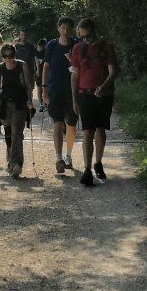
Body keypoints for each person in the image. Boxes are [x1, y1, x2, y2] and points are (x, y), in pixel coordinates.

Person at [69, 17, 118, 187]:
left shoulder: (107, 47)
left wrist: (104, 87)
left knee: (101, 130)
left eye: (87, 36)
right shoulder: (77, 49)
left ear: (94, 31)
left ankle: (98, 162)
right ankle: (87, 169)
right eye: (81, 37)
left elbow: (113, 72)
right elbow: (74, 75)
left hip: (104, 96)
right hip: (85, 94)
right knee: (87, 131)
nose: (84, 40)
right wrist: (74, 99)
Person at [41, 17, 80, 174]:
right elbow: (46, 67)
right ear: (58, 28)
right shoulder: (52, 45)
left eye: (68, 28)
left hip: (72, 91)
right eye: (63, 27)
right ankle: (59, 158)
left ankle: (68, 155)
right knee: (57, 124)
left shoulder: (76, 44)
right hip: (55, 89)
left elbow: (82, 68)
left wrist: (72, 62)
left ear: (71, 29)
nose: (65, 31)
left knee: (71, 125)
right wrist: (43, 89)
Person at [0, 42, 31, 178]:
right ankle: (10, 161)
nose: (8, 58)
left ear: (14, 54)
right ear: (2, 56)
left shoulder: (22, 65)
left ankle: (16, 164)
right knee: (8, 133)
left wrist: (30, 100)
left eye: (11, 55)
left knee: (17, 134)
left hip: (20, 103)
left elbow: (28, 84)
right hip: (4, 104)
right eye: (5, 56)